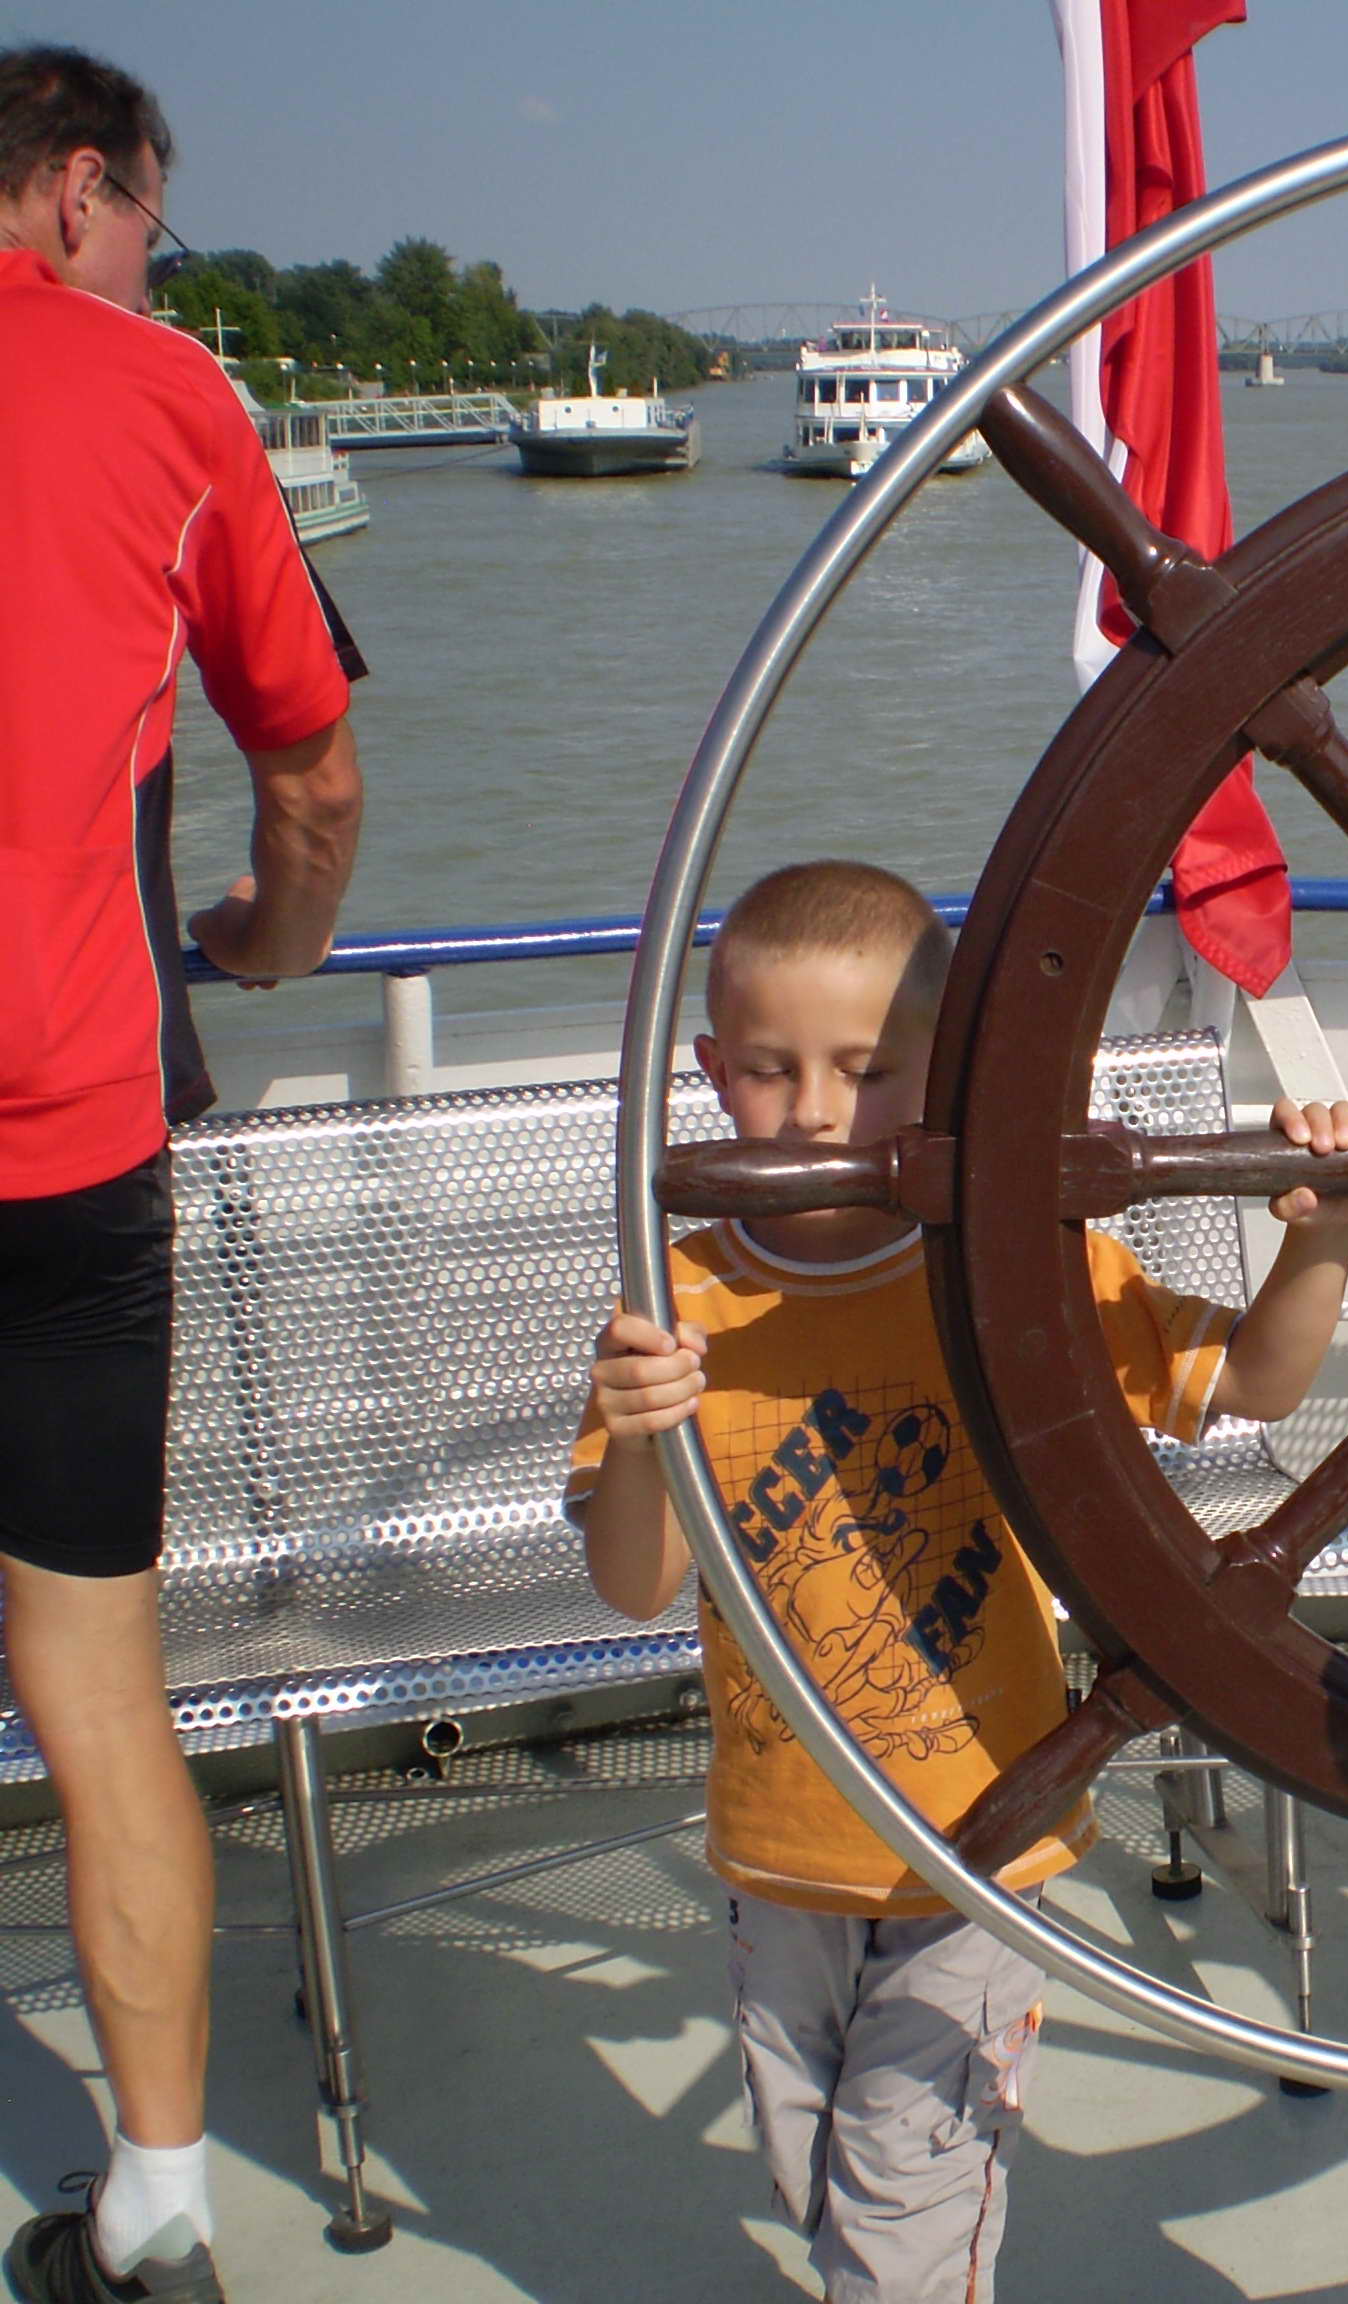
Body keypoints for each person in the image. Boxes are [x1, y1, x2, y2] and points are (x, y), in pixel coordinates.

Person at [572, 861, 1348, 2304]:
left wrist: (1320, 1230)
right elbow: (638, 1584)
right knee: (814, 2175)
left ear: (945, 1072)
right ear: (708, 1073)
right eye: (768, 1072)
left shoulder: (1020, 1270)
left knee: (901, 2221)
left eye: (872, 1074)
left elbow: (1251, 1379)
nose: (818, 1113)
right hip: (775, 1854)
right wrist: (639, 1438)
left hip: (978, 1842)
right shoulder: (675, 1296)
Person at [0, 46, 363, 2304]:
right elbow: (307, 775)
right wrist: (264, 940)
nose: (150, 261)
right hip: (65, 1152)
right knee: (93, 1676)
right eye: (145, 218)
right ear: (71, 189)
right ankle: (158, 2221)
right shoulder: (163, 402)